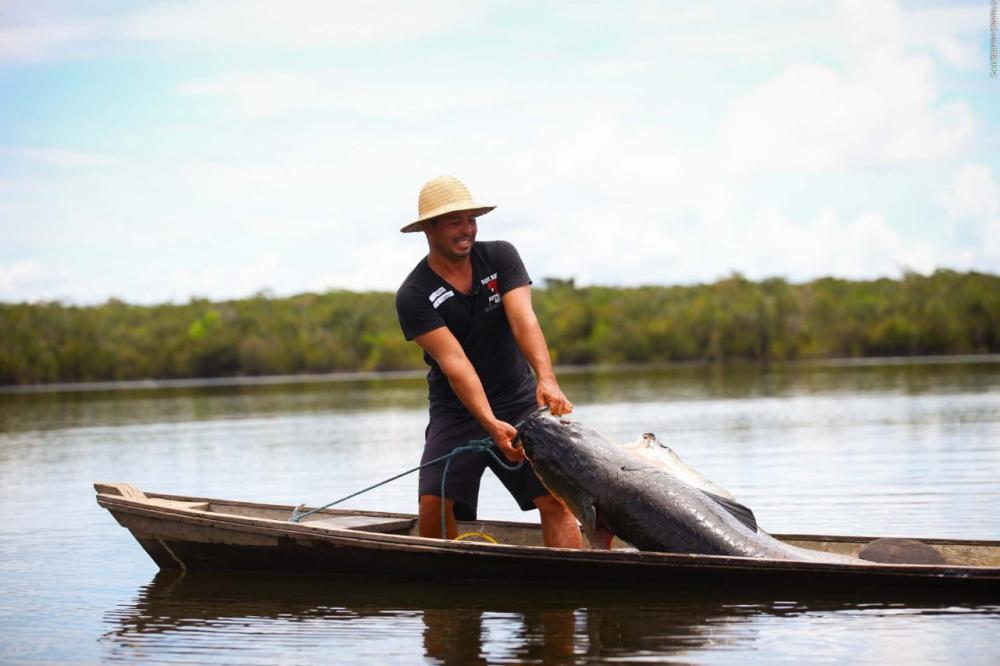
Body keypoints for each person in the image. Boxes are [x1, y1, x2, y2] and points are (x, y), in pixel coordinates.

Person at [395, 175, 583, 548]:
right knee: (434, 503)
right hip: (457, 411)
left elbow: (522, 320)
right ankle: (445, 590)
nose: (467, 230)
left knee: (555, 498)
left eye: (471, 220)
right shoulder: (413, 294)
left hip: (519, 399)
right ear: (428, 229)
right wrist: (489, 425)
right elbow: (455, 363)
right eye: (455, 222)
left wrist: (546, 379)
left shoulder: (500, 256)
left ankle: (568, 590)